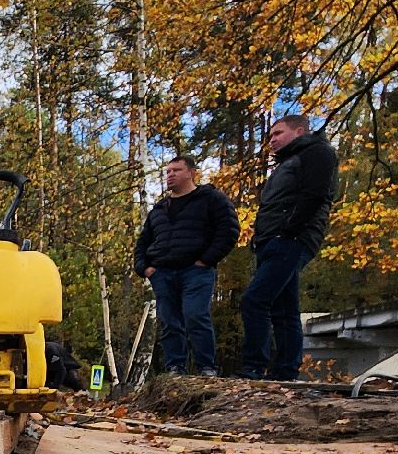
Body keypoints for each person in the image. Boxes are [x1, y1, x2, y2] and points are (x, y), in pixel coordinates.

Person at [241, 114, 339, 380]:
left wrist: (290, 229)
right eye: (270, 136)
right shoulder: (288, 162)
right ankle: (285, 372)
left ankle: (253, 367)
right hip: (272, 240)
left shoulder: (318, 153)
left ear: (298, 132)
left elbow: (315, 195)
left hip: (292, 240)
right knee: (283, 308)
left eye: (277, 133)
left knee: (254, 300)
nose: (271, 140)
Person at [133, 155, 238, 376]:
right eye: (168, 171)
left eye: (176, 170)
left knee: (196, 316)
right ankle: (175, 367)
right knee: (170, 322)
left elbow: (228, 231)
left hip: (195, 270)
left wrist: (206, 260)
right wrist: (145, 268)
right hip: (162, 273)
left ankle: (206, 367)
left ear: (191, 173)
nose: (170, 175)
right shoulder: (159, 209)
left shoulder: (211, 199)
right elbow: (142, 242)